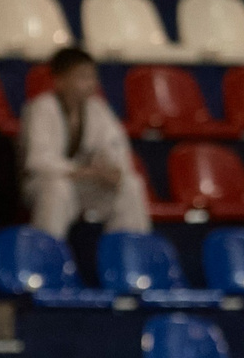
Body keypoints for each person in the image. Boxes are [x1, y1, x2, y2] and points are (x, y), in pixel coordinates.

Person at [20, 47, 149, 240]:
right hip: (42, 184)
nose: (91, 84)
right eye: (82, 77)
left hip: (84, 186)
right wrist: (83, 171)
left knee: (131, 185)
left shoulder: (99, 109)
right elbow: (38, 162)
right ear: (60, 80)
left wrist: (113, 170)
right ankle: (47, 255)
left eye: (92, 77)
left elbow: (116, 148)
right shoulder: (41, 108)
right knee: (58, 188)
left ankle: (128, 254)